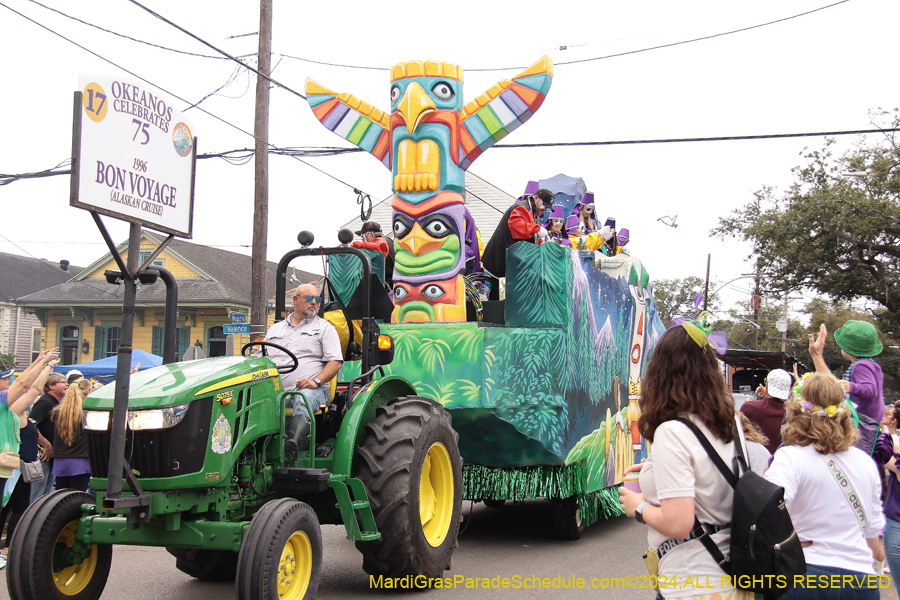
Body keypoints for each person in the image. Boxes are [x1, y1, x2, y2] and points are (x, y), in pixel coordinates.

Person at [619, 322, 753, 600]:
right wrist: (656, 468)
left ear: (661, 371)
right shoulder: (732, 423)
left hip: (692, 582)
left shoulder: (672, 431)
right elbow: (710, 472)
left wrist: (638, 506)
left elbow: (678, 524)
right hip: (734, 578)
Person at [765, 373, 884, 599]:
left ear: (795, 410)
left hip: (805, 573)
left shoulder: (790, 457)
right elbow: (875, 545)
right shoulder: (865, 464)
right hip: (860, 579)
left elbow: (767, 509)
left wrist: (786, 540)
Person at [263, 284, 344, 413]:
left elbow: (335, 362)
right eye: (309, 298)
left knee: (302, 400)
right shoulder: (275, 329)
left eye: (317, 299)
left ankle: (298, 434)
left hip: (313, 390)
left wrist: (316, 382)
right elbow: (260, 358)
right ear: (295, 300)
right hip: (275, 390)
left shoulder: (325, 328)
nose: (313, 302)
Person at [481, 188, 554, 299]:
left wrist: (541, 242)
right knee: (494, 301)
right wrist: (537, 228)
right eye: (544, 206)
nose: (544, 210)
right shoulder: (521, 208)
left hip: (511, 266)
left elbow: (531, 239)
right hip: (497, 264)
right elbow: (517, 227)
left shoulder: (535, 215)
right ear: (536, 198)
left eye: (547, 208)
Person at [808, 320, 884, 423]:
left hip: (861, 424)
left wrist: (851, 386)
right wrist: (816, 355)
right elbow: (833, 385)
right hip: (867, 423)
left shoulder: (860, 365)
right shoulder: (870, 364)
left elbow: (871, 390)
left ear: (846, 346)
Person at [28, 372, 67, 503]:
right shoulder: (44, 402)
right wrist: (46, 444)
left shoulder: (56, 403)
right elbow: (31, 425)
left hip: (51, 456)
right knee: (37, 496)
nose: (66, 384)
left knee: (46, 496)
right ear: (51, 386)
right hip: (42, 455)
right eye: (62, 382)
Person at [51, 379, 93, 492]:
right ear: (88, 392)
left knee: (61, 498)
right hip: (81, 461)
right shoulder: (88, 412)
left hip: (60, 460)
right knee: (77, 497)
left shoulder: (57, 412)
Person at [739, 368, 792, 455]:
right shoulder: (794, 412)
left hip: (757, 462)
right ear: (789, 388)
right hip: (785, 462)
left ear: (767, 384)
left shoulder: (749, 407)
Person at [352, 221, 394, 286]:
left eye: (363, 236)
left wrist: (355, 245)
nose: (363, 240)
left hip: (389, 285)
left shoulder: (381, 240)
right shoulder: (390, 241)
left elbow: (378, 246)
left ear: (371, 234)